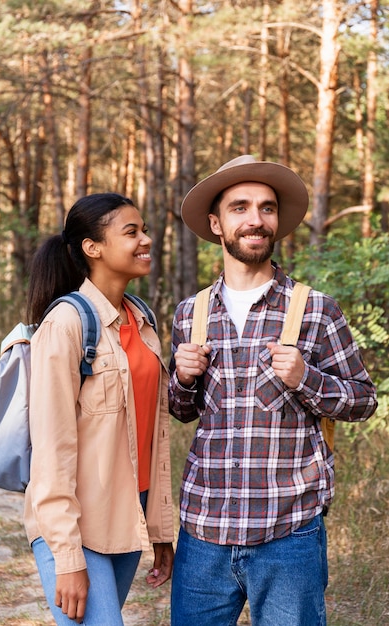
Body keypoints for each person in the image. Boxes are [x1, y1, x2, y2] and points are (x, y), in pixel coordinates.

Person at [168, 155, 377, 626]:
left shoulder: (317, 310)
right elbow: (182, 411)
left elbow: (363, 399)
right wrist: (181, 379)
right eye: (239, 207)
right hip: (205, 532)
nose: (255, 220)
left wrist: (307, 378)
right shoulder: (191, 312)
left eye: (266, 208)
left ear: (277, 222)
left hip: (290, 533)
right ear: (216, 223)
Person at [24, 192, 174, 625]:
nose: (146, 239)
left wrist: (161, 529)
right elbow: (52, 450)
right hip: (74, 521)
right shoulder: (66, 324)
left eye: (144, 229)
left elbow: (154, 437)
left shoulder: (142, 321)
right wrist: (67, 556)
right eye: (132, 232)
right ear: (93, 248)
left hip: (127, 515)